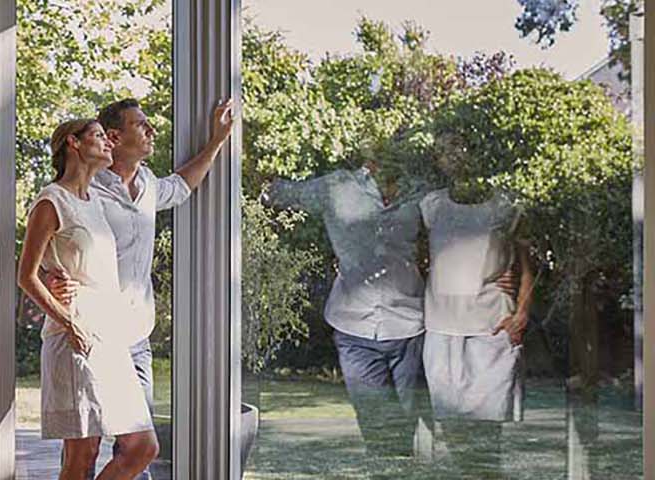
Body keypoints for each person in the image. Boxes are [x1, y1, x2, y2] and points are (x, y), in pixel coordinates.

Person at [266, 159, 520, 462]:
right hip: (354, 327)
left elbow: (463, 227)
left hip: (409, 328)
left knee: (411, 431)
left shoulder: (420, 193)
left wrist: (506, 266)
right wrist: (250, 171)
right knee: (379, 434)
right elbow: (281, 193)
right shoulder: (336, 187)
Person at [44, 98, 234, 479]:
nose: (151, 131)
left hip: (135, 338)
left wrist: (216, 141)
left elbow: (181, 186)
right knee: (85, 448)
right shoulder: (88, 185)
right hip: (91, 333)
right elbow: (55, 236)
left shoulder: (148, 184)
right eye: (141, 125)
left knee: (136, 448)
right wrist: (52, 278)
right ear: (114, 136)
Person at [18, 119, 158, 480]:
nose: (107, 142)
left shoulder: (95, 198)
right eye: (98, 136)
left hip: (108, 336)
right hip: (74, 338)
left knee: (143, 446)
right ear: (73, 143)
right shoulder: (52, 201)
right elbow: (26, 276)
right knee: (82, 455)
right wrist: (68, 319)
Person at [419, 175, 533, 478]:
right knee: (453, 433)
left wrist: (522, 313)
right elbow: (416, 258)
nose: (454, 157)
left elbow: (528, 266)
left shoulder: (505, 206)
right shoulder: (431, 206)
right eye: (445, 150)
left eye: (460, 146)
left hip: (491, 329)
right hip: (442, 328)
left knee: (486, 439)